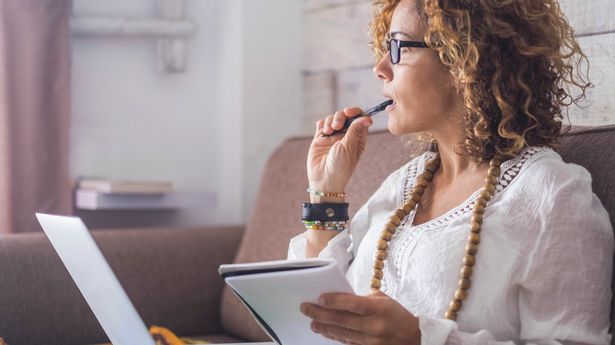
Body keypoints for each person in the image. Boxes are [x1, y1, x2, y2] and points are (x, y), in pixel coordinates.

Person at [288, 0, 613, 344]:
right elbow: (320, 310)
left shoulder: (551, 194)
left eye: (398, 46)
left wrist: (421, 338)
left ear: (463, 60)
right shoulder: (405, 183)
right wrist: (326, 188)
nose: (380, 67)